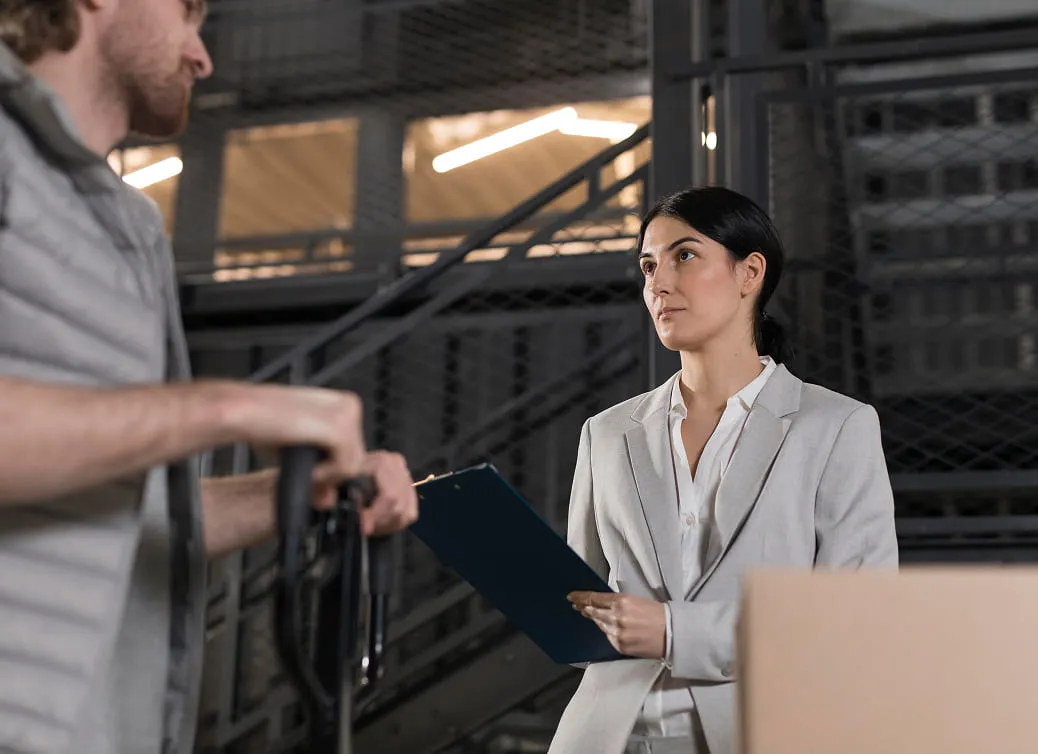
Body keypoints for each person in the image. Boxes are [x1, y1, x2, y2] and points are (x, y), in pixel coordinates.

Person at [0, 2, 418, 754]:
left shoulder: (127, 230)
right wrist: (227, 407)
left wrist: (294, 496)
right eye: (188, 14)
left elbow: (124, 517)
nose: (204, 58)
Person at [549, 186, 898, 754]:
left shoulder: (835, 427)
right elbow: (580, 609)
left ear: (749, 273)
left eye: (684, 256)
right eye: (647, 265)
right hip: (606, 738)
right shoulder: (605, 433)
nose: (658, 283)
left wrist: (672, 632)